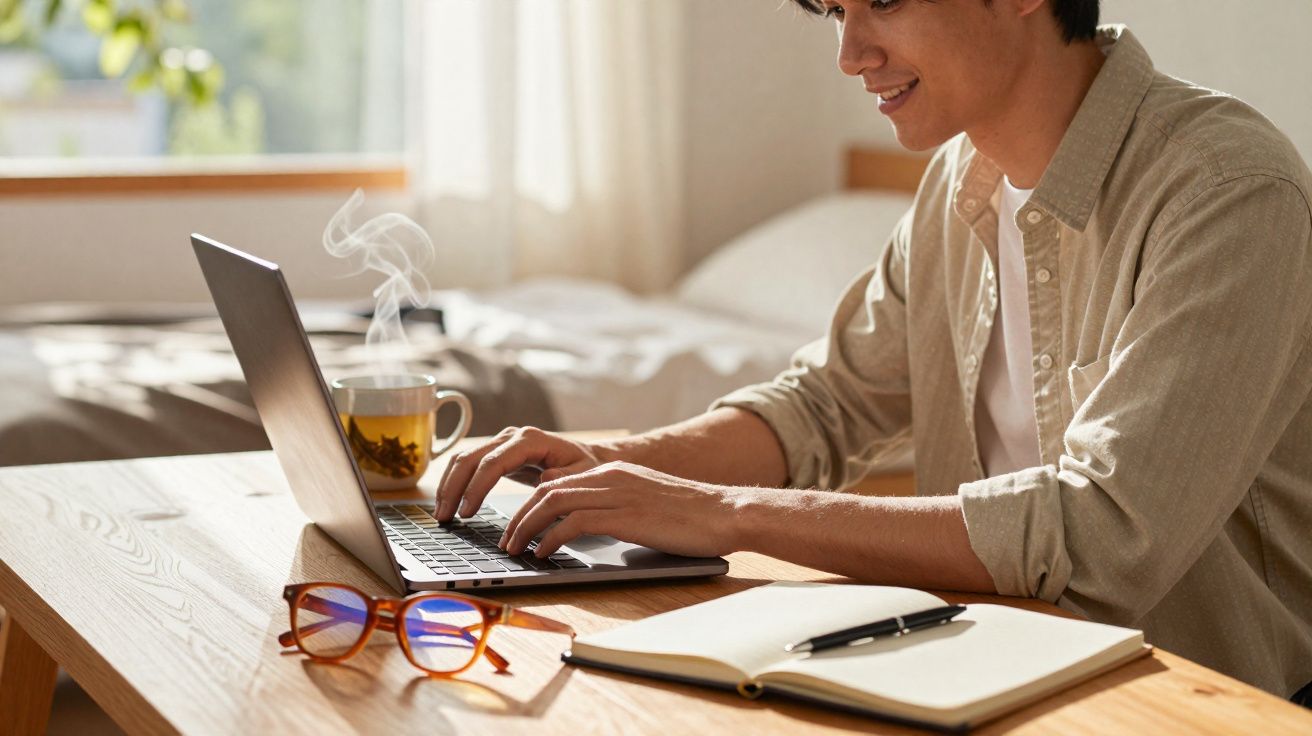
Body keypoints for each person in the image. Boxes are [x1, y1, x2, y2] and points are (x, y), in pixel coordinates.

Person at [436, 0, 1312, 705]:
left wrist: (721, 513)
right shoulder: (955, 185)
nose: (851, 54)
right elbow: (826, 404)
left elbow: (1104, 533)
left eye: (883, 3)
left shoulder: (1229, 193)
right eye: (834, 9)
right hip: (997, 669)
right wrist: (604, 465)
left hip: (1200, 698)